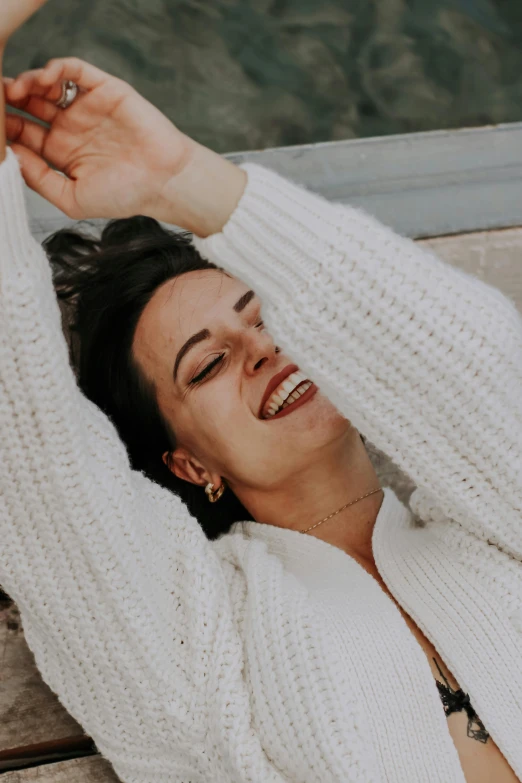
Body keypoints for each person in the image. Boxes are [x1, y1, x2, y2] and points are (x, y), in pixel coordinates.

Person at [1, 3, 521, 782]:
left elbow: (487, 374)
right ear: (186, 463)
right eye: (205, 366)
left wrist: (190, 186)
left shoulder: (488, 532)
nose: (262, 351)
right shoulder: (203, 635)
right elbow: (38, 470)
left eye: (268, 315)